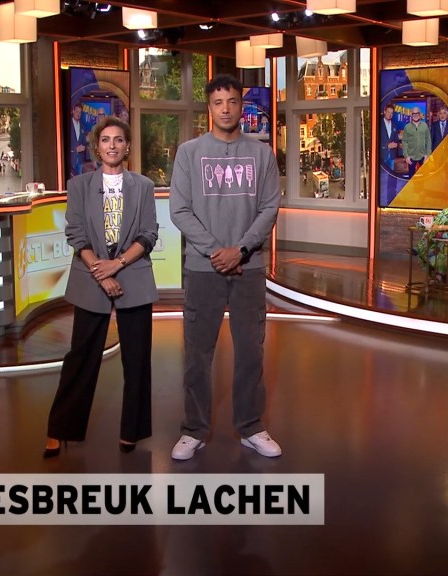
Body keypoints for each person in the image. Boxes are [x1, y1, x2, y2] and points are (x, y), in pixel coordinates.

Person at [169, 74, 282, 461]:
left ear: (241, 106)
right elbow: (180, 210)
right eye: (218, 103)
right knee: (197, 354)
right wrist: (218, 251)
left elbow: (269, 208)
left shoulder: (262, 154)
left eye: (232, 102)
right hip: (203, 269)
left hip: (249, 269)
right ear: (209, 108)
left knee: (251, 351)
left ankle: (251, 426)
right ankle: (194, 429)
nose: (226, 109)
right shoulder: (189, 153)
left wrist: (242, 250)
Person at [43, 116, 159, 458]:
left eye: (118, 139)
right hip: (92, 276)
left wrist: (117, 265)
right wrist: (101, 272)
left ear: (127, 146)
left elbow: (148, 234)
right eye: (106, 140)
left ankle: (132, 430)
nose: (112, 145)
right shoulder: (79, 185)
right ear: (97, 146)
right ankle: (60, 428)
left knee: (138, 359)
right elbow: (76, 233)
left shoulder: (143, 186)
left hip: (133, 275)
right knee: (81, 357)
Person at [401, 106, 431, 177]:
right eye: (414, 113)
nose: (415, 115)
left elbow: (428, 140)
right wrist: (406, 156)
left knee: (424, 177)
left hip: (423, 156)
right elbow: (404, 142)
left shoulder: (425, 126)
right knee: (411, 178)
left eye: (417, 113)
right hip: (411, 157)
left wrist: (427, 155)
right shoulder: (407, 127)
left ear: (420, 114)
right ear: (411, 115)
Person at [379, 103, 401, 172]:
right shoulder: (378, 124)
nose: (390, 114)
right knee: (382, 176)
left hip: (391, 156)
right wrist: (387, 146)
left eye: (391, 113)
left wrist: (396, 144)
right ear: (384, 112)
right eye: (388, 112)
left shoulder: (394, 126)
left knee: (390, 175)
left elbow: (396, 140)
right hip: (382, 156)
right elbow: (375, 140)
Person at [69, 103, 88, 177]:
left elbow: (84, 143)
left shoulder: (83, 126)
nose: (78, 114)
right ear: (73, 111)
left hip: (79, 161)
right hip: (70, 160)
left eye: (80, 112)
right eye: (77, 111)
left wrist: (84, 147)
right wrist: (75, 149)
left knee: (78, 181)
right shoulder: (67, 125)